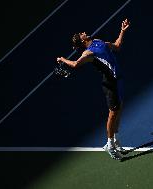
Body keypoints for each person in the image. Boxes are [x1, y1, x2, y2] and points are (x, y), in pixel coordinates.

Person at [57, 19, 130, 160]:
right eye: (81, 34)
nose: (84, 32)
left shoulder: (98, 41)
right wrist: (62, 59)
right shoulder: (88, 54)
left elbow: (117, 46)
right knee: (113, 113)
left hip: (117, 80)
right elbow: (75, 64)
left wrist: (122, 31)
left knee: (119, 108)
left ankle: (114, 140)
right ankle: (109, 144)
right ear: (82, 41)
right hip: (110, 84)